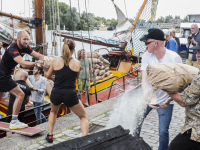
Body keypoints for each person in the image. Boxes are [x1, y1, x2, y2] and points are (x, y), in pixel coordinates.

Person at [133, 28, 182, 150]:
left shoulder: (174, 58)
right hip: (149, 97)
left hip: (166, 100)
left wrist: (169, 100)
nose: (145, 46)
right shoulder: (146, 56)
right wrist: (147, 97)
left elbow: (179, 84)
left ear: (155, 43)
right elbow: (144, 78)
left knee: (163, 132)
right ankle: (134, 146)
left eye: (146, 42)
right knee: (135, 122)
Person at [45, 39, 89, 143]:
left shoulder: (55, 61)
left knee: (53, 112)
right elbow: (76, 78)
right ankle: (85, 139)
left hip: (56, 93)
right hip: (70, 94)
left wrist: (55, 79)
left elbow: (48, 75)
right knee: (83, 116)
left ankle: (50, 136)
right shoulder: (77, 63)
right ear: (73, 50)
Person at [0, 31, 44, 129]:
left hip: (4, 74)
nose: (26, 41)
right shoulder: (13, 49)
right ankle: (14, 121)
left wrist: (48, 60)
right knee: (21, 94)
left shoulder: (25, 47)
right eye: (24, 39)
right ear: (18, 39)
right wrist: (37, 64)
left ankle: (13, 121)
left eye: (27, 39)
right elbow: (23, 63)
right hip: (3, 74)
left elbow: (38, 56)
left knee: (1, 95)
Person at [162, 42, 200, 150]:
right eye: (197, 51)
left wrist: (167, 88)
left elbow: (183, 101)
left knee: (175, 147)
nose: (198, 55)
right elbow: (193, 93)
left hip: (196, 130)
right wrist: (170, 98)